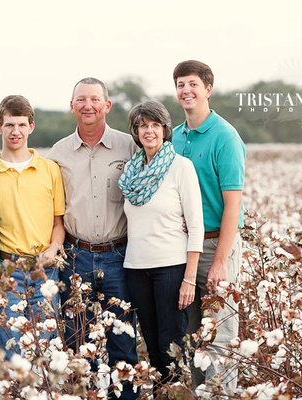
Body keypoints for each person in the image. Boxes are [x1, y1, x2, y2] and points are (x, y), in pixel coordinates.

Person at [47, 77, 139, 400]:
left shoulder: (130, 146)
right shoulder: (58, 153)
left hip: (119, 254)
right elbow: (52, 208)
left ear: (107, 105)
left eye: (95, 100)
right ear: (72, 106)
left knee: (123, 340)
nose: (88, 106)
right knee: (76, 342)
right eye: (81, 100)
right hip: (75, 254)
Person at [171, 60, 246, 394]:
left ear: (208, 89)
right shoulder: (173, 136)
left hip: (217, 247)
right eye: (180, 85)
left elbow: (233, 205)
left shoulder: (225, 137)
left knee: (219, 338)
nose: (186, 91)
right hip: (183, 249)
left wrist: (220, 261)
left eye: (193, 84)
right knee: (191, 338)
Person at [118, 100, 203, 384]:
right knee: (153, 351)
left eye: (155, 125)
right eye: (143, 126)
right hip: (136, 268)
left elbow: (195, 226)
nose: (149, 131)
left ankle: (175, 392)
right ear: (135, 131)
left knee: (171, 349)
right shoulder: (131, 171)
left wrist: (189, 279)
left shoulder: (181, 167)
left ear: (165, 130)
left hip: (171, 268)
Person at [0, 95, 65, 360]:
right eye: (9, 125)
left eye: (21, 125)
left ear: (31, 126)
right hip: (7, 270)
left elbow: (58, 223)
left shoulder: (50, 169)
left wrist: (54, 247)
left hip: (45, 269)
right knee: (9, 351)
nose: (15, 131)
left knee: (43, 349)